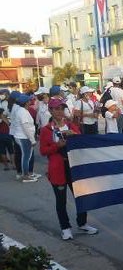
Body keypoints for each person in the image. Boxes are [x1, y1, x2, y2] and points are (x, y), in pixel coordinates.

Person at [39, 98, 98, 240]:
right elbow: (43, 150)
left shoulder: (71, 125)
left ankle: (82, 223)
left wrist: (75, 135)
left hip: (74, 166)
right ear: (51, 111)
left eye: (61, 108)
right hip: (57, 168)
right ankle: (65, 227)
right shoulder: (46, 130)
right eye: (56, 109)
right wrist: (57, 146)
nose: (60, 111)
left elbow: (82, 141)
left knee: (81, 196)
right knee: (61, 200)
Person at [11, 93, 39, 183]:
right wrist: (32, 140)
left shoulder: (23, 110)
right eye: (29, 100)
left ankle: (27, 174)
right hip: (24, 137)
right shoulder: (22, 112)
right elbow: (26, 127)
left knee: (26, 156)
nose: (31, 101)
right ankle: (25, 175)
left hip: (23, 136)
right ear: (26, 102)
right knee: (26, 157)